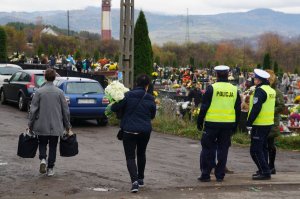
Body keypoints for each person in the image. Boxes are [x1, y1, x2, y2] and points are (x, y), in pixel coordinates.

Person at [111, 75, 156, 193]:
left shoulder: (127, 95)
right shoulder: (150, 98)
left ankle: (134, 182)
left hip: (129, 130)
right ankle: (141, 179)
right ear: (147, 85)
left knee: (130, 157)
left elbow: (115, 108)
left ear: (136, 83)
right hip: (145, 131)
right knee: (141, 153)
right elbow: (152, 115)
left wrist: (113, 101)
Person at [197, 65, 241, 182]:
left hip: (212, 123)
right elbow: (238, 109)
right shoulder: (234, 89)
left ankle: (206, 174)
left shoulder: (212, 88)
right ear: (228, 74)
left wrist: (199, 121)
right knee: (223, 149)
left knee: (207, 148)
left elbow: (204, 107)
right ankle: (220, 175)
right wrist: (236, 125)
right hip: (228, 124)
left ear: (216, 74)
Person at [28, 69, 71, 177]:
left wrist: (30, 125)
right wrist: (67, 126)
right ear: (55, 78)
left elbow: (33, 110)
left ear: (45, 77)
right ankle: (50, 168)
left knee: (42, 143)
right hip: (56, 125)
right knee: (53, 146)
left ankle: (43, 159)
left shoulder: (39, 92)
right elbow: (65, 111)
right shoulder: (60, 92)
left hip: (41, 124)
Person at [247, 69, 276, 180]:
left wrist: (249, 122)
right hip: (268, 123)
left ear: (258, 80)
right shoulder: (270, 90)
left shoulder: (260, 91)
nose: (254, 80)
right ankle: (263, 169)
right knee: (263, 148)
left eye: (255, 78)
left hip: (259, 124)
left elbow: (256, 108)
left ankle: (265, 172)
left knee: (255, 150)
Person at [265, 70, 285, 175]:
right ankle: (265, 166)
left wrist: (270, 110)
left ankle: (271, 166)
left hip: (272, 121)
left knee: (270, 144)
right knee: (264, 145)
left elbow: (281, 106)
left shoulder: (277, 92)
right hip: (264, 120)